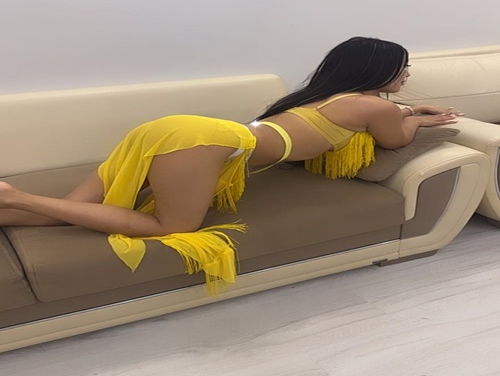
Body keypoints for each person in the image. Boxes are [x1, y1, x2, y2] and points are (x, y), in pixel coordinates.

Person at [0, 37, 460, 292]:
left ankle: (11, 204)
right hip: (203, 141)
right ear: (376, 73)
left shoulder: (323, 95)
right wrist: (419, 119)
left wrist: (408, 110)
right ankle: (16, 196)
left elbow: (376, 123)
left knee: (75, 207)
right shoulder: (372, 105)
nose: (407, 75)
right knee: (169, 227)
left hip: (175, 129)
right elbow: (395, 138)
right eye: (402, 68)